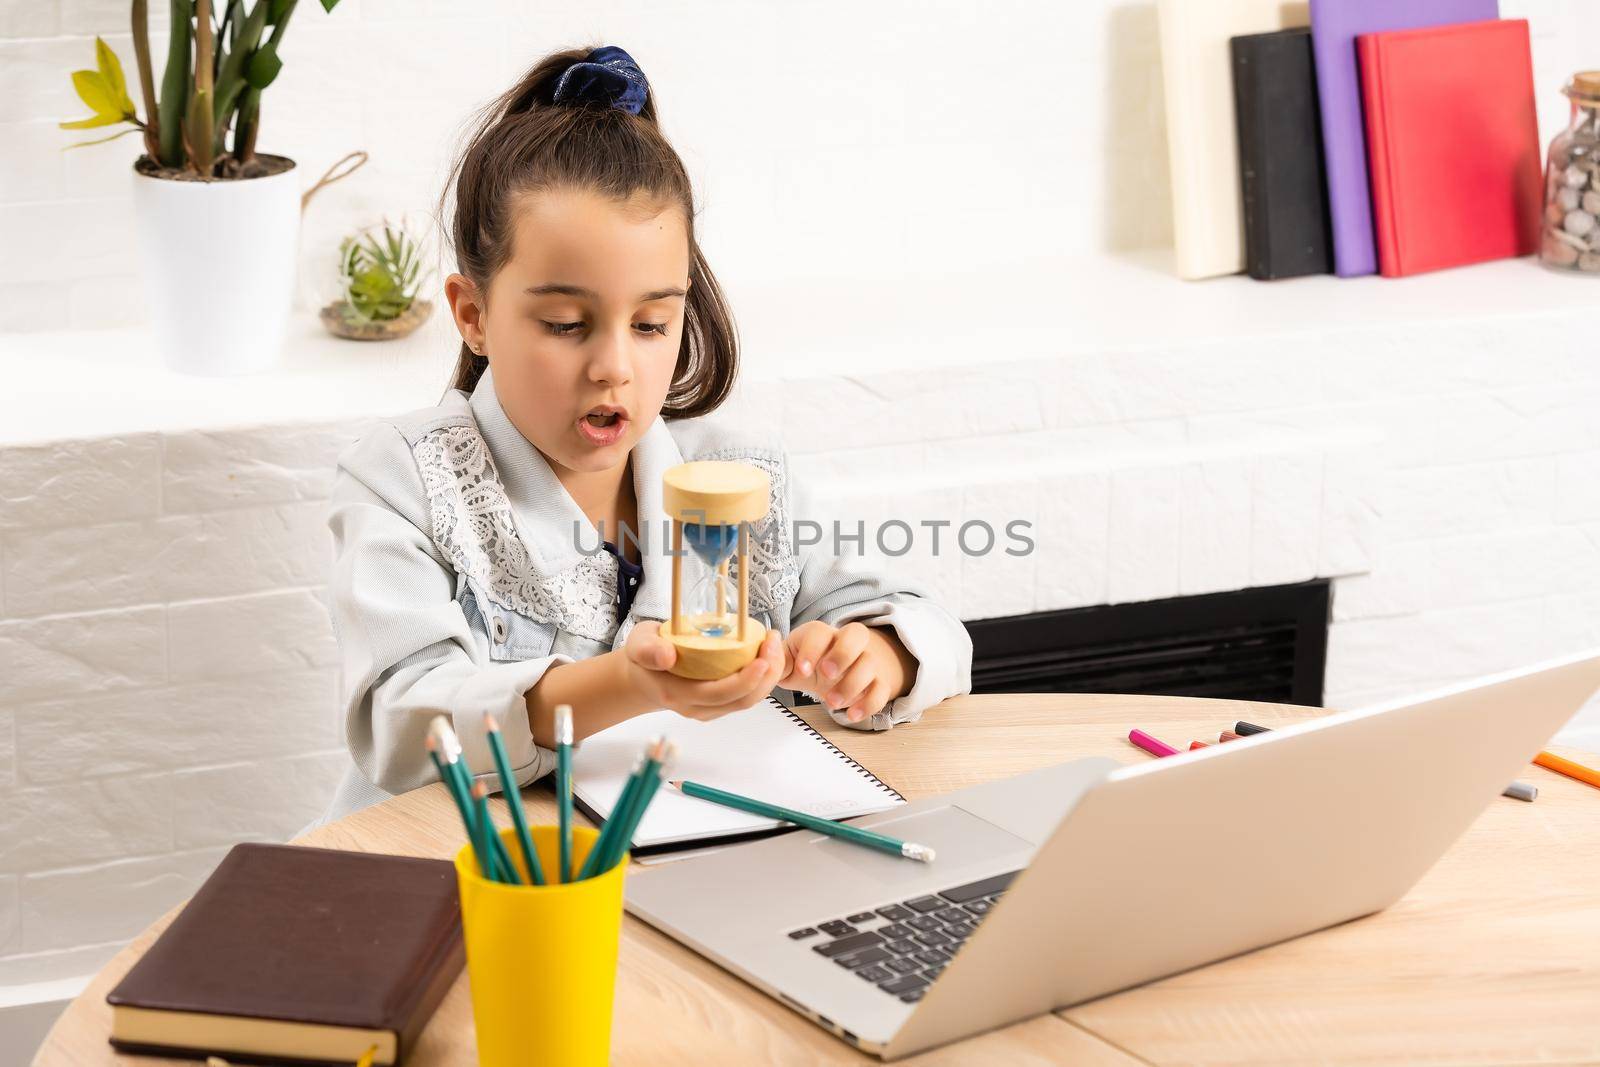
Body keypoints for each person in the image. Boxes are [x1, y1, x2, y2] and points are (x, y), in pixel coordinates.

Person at [316, 44, 972, 825]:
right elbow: (403, 725)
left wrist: (879, 655)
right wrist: (627, 685)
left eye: (653, 322)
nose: (614, 367)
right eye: (565, 324)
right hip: (459, 876)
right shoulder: (404, 481)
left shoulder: (736, 473)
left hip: (681, 866)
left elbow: (927, 625)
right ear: (473, 313)